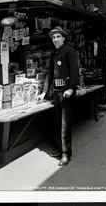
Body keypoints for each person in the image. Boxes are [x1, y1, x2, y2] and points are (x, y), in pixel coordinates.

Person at [37, 26, 79, 166]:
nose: (55, 39)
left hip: (66, 93)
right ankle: (61, 150)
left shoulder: (70, 51)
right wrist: (43, 92)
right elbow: (50, 73)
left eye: (58, 37)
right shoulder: (54, 54)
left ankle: (66, 154)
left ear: (63, 38)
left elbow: (75, 72)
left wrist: (71, 88)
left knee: (65, 124)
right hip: (56, 92)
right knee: (58, 122)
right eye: (53, 37)